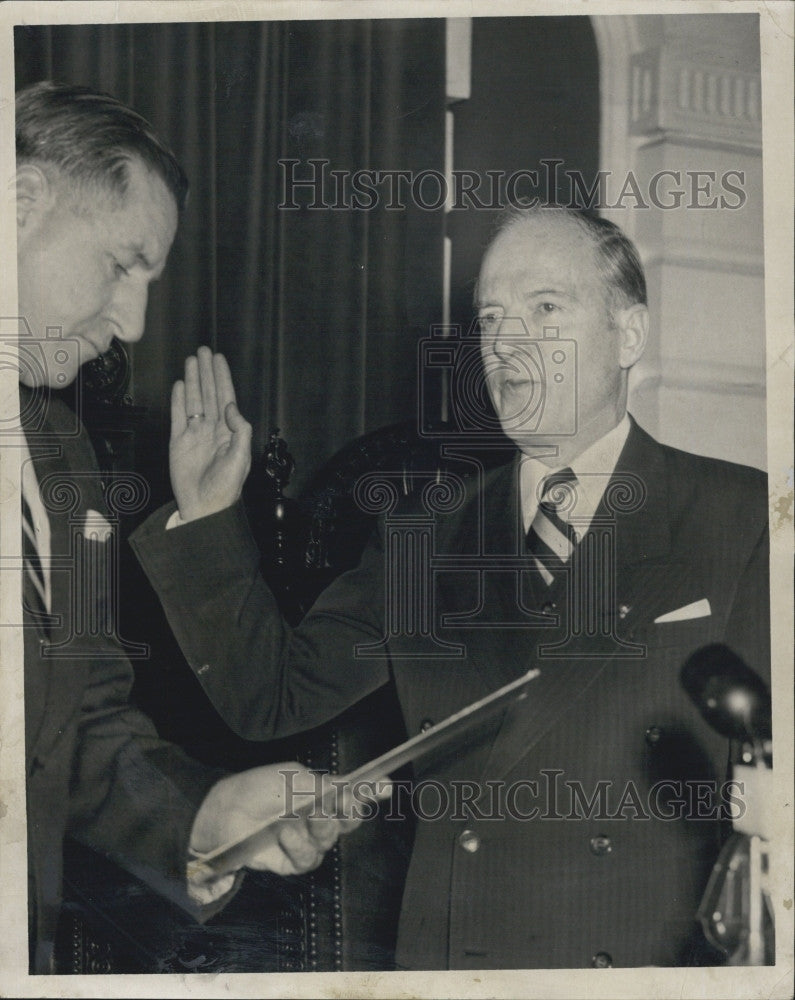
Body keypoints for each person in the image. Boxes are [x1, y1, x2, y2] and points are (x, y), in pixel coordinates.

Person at [131, 206, 770, 969]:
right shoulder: (426, 535)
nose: (507, 344)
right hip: (459, 957)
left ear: (627, 333)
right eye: (491, 318)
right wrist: (207, 515)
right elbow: (271, 694)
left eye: (544, 308)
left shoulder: (743, 517)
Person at [11, 81, 366, 974]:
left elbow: (78, 732)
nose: (133, 321)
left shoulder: (58, 453)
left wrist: (210, 815)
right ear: (19, 201)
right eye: (123, 263)